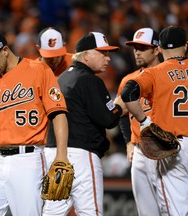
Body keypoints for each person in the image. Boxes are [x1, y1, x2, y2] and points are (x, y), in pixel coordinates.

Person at [0, 30, 69, 216]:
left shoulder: (38, 70)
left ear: (5, 50)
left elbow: (59, 114)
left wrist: (61, 155)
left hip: (27, 159)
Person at [42, 32, 126, 216]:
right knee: (91, 212)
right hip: (81, 156)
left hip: (55, 153)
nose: (108, 58)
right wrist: (119, 107)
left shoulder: (62, 78)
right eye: (102, 53)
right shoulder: (89, 80)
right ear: (86, 55)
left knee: (53, 212)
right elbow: (109, 120)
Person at [121, 26, 188, 215]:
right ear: (186, 46)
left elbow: (128, 93)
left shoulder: (155, 73)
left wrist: (144, 122)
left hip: (173, 148)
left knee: (176, 210)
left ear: (160, 49)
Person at [117, 27, 162, 215]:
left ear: (157, 49)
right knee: (146, 212)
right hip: (139, 151)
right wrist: (128, 142)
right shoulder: (129, 79)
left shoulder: (167, 75)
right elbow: (121, 114)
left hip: (164, 149)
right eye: (135, 47)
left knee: (171, 208)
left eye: (142, 47)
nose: (137, 52)